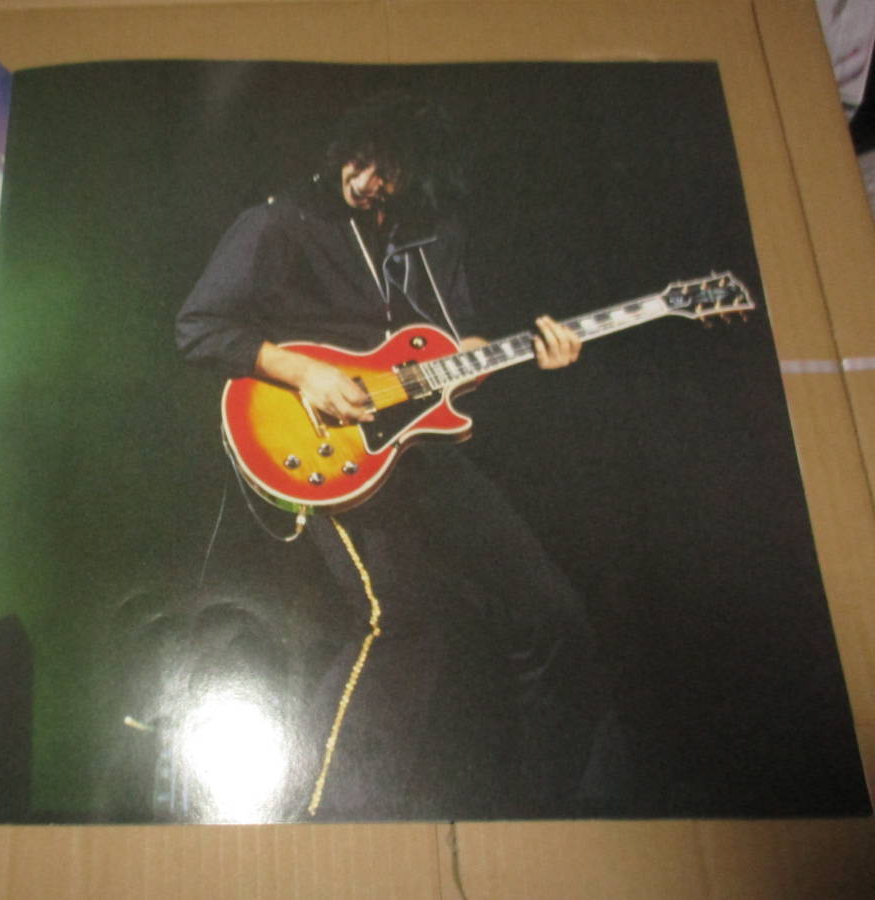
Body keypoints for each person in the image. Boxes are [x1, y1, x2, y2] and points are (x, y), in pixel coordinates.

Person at [176, 91, 611, 820]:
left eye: (389, 169)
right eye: (360, 157)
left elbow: (456, 343)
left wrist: (520, 355)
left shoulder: (435, 236)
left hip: (418, 444)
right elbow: (198, 327)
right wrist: (305, 372)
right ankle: (329, 822)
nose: (364, 178)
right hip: (322, 443)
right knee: (404, 620)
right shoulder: (283, 221)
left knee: (553, 614)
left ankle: (539, 813)